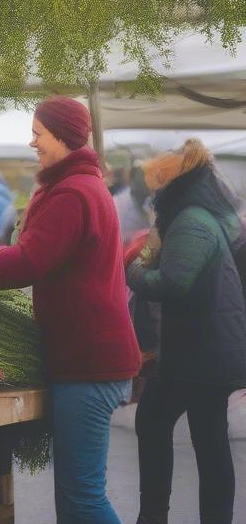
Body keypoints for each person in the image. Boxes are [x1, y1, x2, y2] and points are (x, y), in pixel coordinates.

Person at [0, 97, 139, 524]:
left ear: (62, 136)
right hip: (89, 359)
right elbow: (36, 254)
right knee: (74, 499)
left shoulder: (73, 192)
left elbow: (27, 263)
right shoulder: (79, 186)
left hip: (91, 363)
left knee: (83, 498)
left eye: (39, 133)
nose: (32, 142)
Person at [126, 140, 246, 524]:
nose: (153, 195)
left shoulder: (192, 220)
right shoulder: (199, 215)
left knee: (160, 421)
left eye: (157, 185)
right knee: (206, 438)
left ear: (172, 183)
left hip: (202, 352)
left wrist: (135, 273)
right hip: (204, 348)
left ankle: (154, 515)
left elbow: (173, 284)